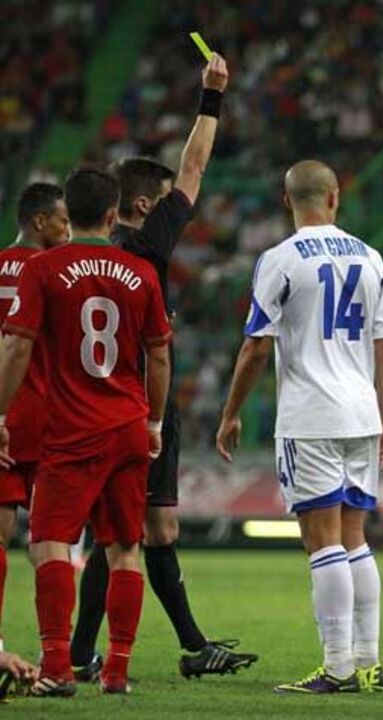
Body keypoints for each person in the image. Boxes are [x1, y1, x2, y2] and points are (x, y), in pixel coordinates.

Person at [70, 52, 257, 681]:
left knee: (147, 527)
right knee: (130, 531)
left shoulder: (77, 257)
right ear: (144, 206)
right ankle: (94, 652)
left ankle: (184, 645)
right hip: (139, 406)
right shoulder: (148, 246)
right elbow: (196, 165)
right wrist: (213, 97)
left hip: (84, 402)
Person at [216, 160, 383, 695]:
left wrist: (231, 412)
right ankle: (368, 662)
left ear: (287, 200)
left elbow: (256, 345)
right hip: (362, 414)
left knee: (322, 544)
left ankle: (338, 666)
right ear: (336, 197)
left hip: (311, 416)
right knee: (354, 538)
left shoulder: (280, 259)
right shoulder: (370, 257)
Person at [0, 168, 173, 696]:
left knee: (49, 541)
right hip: (126, 424)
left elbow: (18, 345)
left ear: (68, 214)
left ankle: (57, 665)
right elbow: (160, 354)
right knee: (124, 546)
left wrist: (0, 415)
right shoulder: (140, 272)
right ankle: (116, 670)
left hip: (71, 428)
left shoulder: (45, 268)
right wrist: (154, 421)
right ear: (111, 213)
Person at [0, 183, 71, 650]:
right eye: (63, 220)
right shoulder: (56, 274)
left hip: (4, 418)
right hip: (51, 420)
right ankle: (59, 655)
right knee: (52, 542)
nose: (69, 229)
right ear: (40, 222)